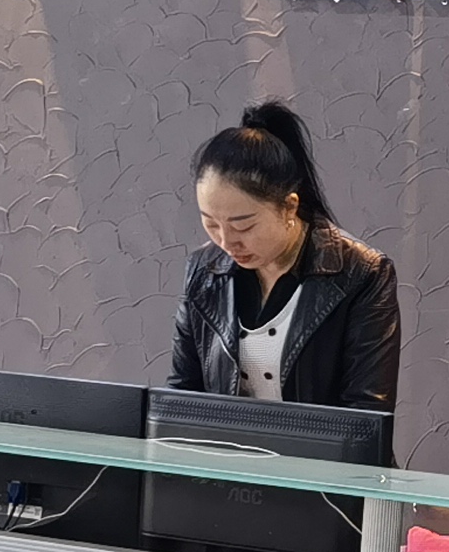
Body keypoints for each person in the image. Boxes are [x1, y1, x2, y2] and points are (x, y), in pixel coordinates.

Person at [171, 102, 400, 411]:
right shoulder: (203, 271)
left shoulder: (363, 273)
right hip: (224, 444)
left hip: (319, 445)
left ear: (289, 207)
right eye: (211, 224)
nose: (226, 242)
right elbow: (182, 397)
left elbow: (366, 412)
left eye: (243, 226)